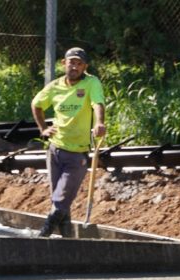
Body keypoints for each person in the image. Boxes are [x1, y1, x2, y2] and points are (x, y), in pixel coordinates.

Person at [31, 47, 106, 238]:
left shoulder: (91, 83)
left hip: (77, 153)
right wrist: (43, 128)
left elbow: (97, 103)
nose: (75, 67)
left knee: (60, 202)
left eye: (79, 64)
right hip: (55, 150)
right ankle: (68, 241)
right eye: (71, 62)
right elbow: (36, 104)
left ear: (85, 67)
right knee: (60, 202)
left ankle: (41, 237)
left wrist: (100, 122)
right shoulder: (55, 86)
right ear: (64, 63)